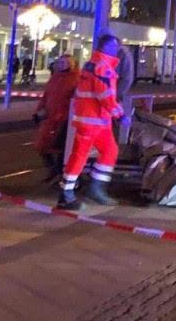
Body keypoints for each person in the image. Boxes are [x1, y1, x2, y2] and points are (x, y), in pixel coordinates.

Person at [58, 34, 124, 210]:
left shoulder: (93, 65)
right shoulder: (103, 68)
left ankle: (95, 188)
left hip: (96, 121)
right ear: (107, 47)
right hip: (93, 121)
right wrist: (120, 114)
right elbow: (105, 96)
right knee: (80, 156)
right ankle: (67, 195)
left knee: (109, 151)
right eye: (115, 46)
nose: (117, 50)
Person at [33, 54, 79, 178]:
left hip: (65, 120)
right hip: (50, 117)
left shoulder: (76, 79)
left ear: (71, 64)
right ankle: (53, 169)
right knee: (41, 146)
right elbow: (46, 96)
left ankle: (60, 172)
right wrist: (38, 111)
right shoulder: (54, 78)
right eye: (59, 62)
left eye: (64, 63)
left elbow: (77, 99)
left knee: (61, 148)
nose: (60, 65)